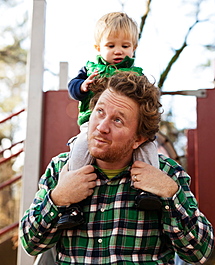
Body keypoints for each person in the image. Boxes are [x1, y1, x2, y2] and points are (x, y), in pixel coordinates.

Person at [20, 72, 215, 264]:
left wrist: (171, 194)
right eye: (100, 112)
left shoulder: (167, 174)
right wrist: (58, 198)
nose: (101, 127)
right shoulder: (61, 168)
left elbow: (199, 253)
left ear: (138, 139)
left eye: (117, 120)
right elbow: (31, 244)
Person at [63, 12, 161, 229]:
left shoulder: (135, 75)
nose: (119, 51)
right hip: (92, 123)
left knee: (147, 146)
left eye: (125, 46)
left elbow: (147, 100)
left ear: (134, 48)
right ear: (98, 48)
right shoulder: (90, 70)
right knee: (80, 147)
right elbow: (73, 88)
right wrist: (82, 86)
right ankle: (72, 202)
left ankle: (148, 190)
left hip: (127, 126)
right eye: (111, 45)